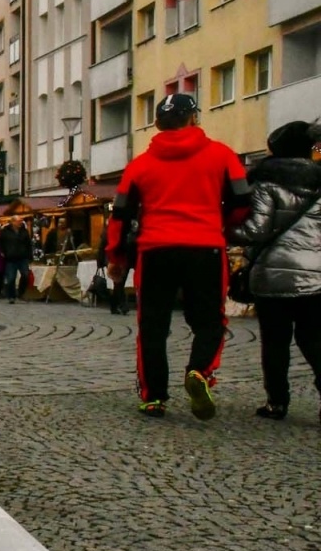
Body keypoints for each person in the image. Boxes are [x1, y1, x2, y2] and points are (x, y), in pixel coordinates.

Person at [106, 93, 251, 420]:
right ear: (194, 118)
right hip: (205, 247)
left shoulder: (139, 165)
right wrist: (222, 223)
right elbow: (243, 200)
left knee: (152, 325)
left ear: (157, 123)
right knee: (210, 321)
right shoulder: (222, 155)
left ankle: (153, 396)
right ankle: (200, 370)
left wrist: (116, 257)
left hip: (155, 250)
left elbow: (120, 214)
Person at [230, 121, 321, 422]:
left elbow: (256, 230)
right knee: (314, 340)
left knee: (275, 342)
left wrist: (227, 233)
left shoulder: (266, 182)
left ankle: (277, 402)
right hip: (316, 277)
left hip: (272, 276)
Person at [0, 216, 35, 304]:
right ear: (13, 222)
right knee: (11, 278)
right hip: (10, 258)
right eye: (19, 221)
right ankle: (11, 296)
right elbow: (0, 242)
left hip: (23, 257)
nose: (21, 222)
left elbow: (28, 244)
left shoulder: (24, 231)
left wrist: (30, 256)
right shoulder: (5, 231)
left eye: (21, 221)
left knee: (25, 275)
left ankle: (21, 293)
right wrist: (3, 252)